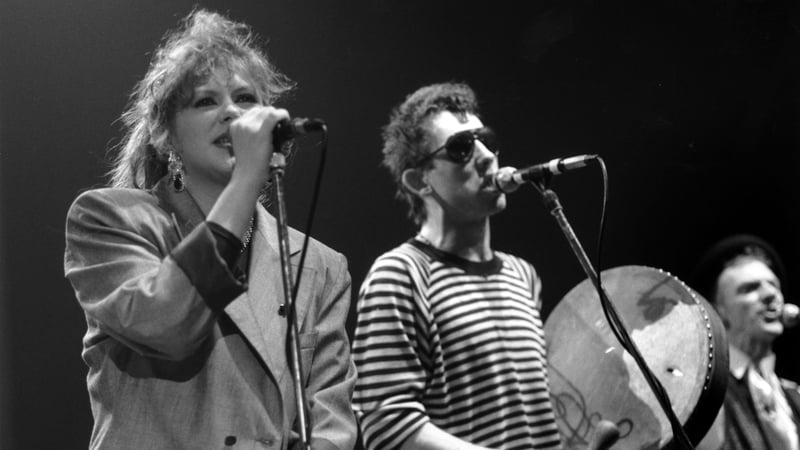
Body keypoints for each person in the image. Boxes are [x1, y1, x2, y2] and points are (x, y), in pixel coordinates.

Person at [63, 9, 357, 450]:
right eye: (206, 101)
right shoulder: (110, 220)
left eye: (246, 99)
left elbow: (330, 420)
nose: (232, 114)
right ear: (164, 135)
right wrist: (245, 183)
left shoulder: (320, 265)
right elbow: (167, 325)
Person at [351, 82, 563, 450]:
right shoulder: (400, 276)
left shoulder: (522, 275)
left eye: (485, 139)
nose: (485, 155)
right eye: (461, 147)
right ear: (420, 180)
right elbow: (387, 427)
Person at [693, 235, 800, 450]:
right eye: (750, 288)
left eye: (773, 285)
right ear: (718, 313)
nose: (771, 294)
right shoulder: (702, 396)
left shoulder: (795, 395)